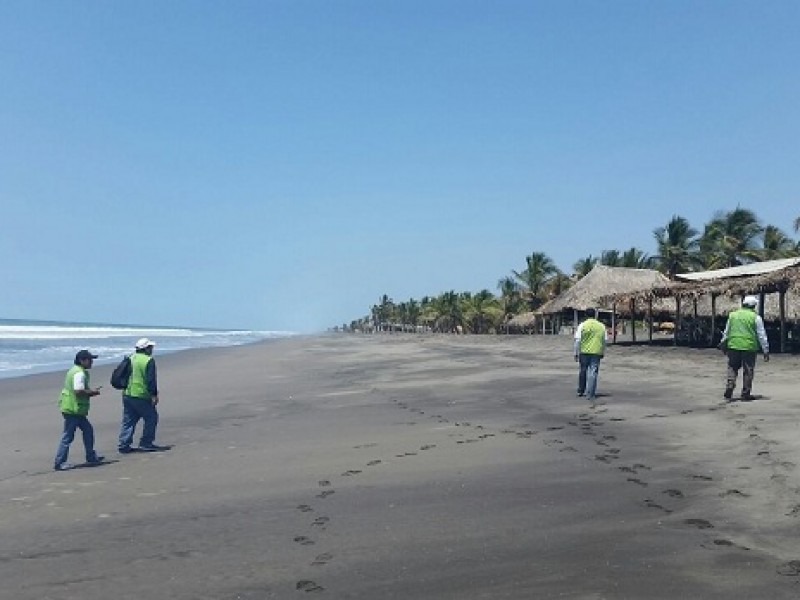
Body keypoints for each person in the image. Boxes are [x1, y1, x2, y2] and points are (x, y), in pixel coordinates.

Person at [54, 350, 104, 470]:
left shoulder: (74, 370)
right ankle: (60, 462)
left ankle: (91, 456)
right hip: (73, 408)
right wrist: (93, 392)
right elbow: (78, 391)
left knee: (88, 431)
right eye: (89, 360)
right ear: (82, 360)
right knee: (68, 436)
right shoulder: (79, 373)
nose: (92, 362)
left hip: (73, 408)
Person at [118, 338, 167, 452]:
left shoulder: (130, 358)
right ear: (146, 348)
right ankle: (146, 442)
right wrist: (154, 395)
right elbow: (151, 380)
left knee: (129, 420)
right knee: (151, 417)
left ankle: (123, 444)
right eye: (150, 347)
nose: (152, 349)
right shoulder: (148, 360)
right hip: (141, 394)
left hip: (127, 393)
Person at [721, 295, 769, 401]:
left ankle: (730, 384)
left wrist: (723, 344)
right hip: (749, 347)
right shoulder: (756, 317)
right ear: (753, 306)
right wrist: (766, 350)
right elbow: (761, 335)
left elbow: (727, 331)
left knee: (732, 367)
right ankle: (745, 393)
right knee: (748, 370)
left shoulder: (733, 315)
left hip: (733, 345)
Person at [574, 308, 607, 406]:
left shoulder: (582, 325)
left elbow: (578, 340)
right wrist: (602, 351)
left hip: (584, 351)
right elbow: (604, 340)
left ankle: (581, 390)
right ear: (595, 315)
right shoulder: (601, 326)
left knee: (583, 371)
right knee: (593, 372)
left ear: (585, 315)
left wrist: (576, 352)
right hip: (596, 352)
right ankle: (591, 393)